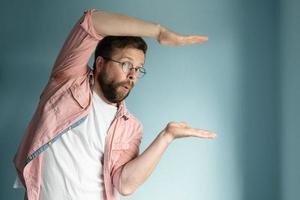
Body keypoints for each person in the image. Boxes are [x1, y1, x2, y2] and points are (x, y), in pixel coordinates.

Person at [13, 9, 216, 200]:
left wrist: (166, 137)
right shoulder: (68, 80)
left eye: (138, 69)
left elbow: (125, 185)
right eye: (126, 64)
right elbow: (91, 22)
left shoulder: (131, 127)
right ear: (100, 63)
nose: (133, 75)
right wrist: (158, 32)